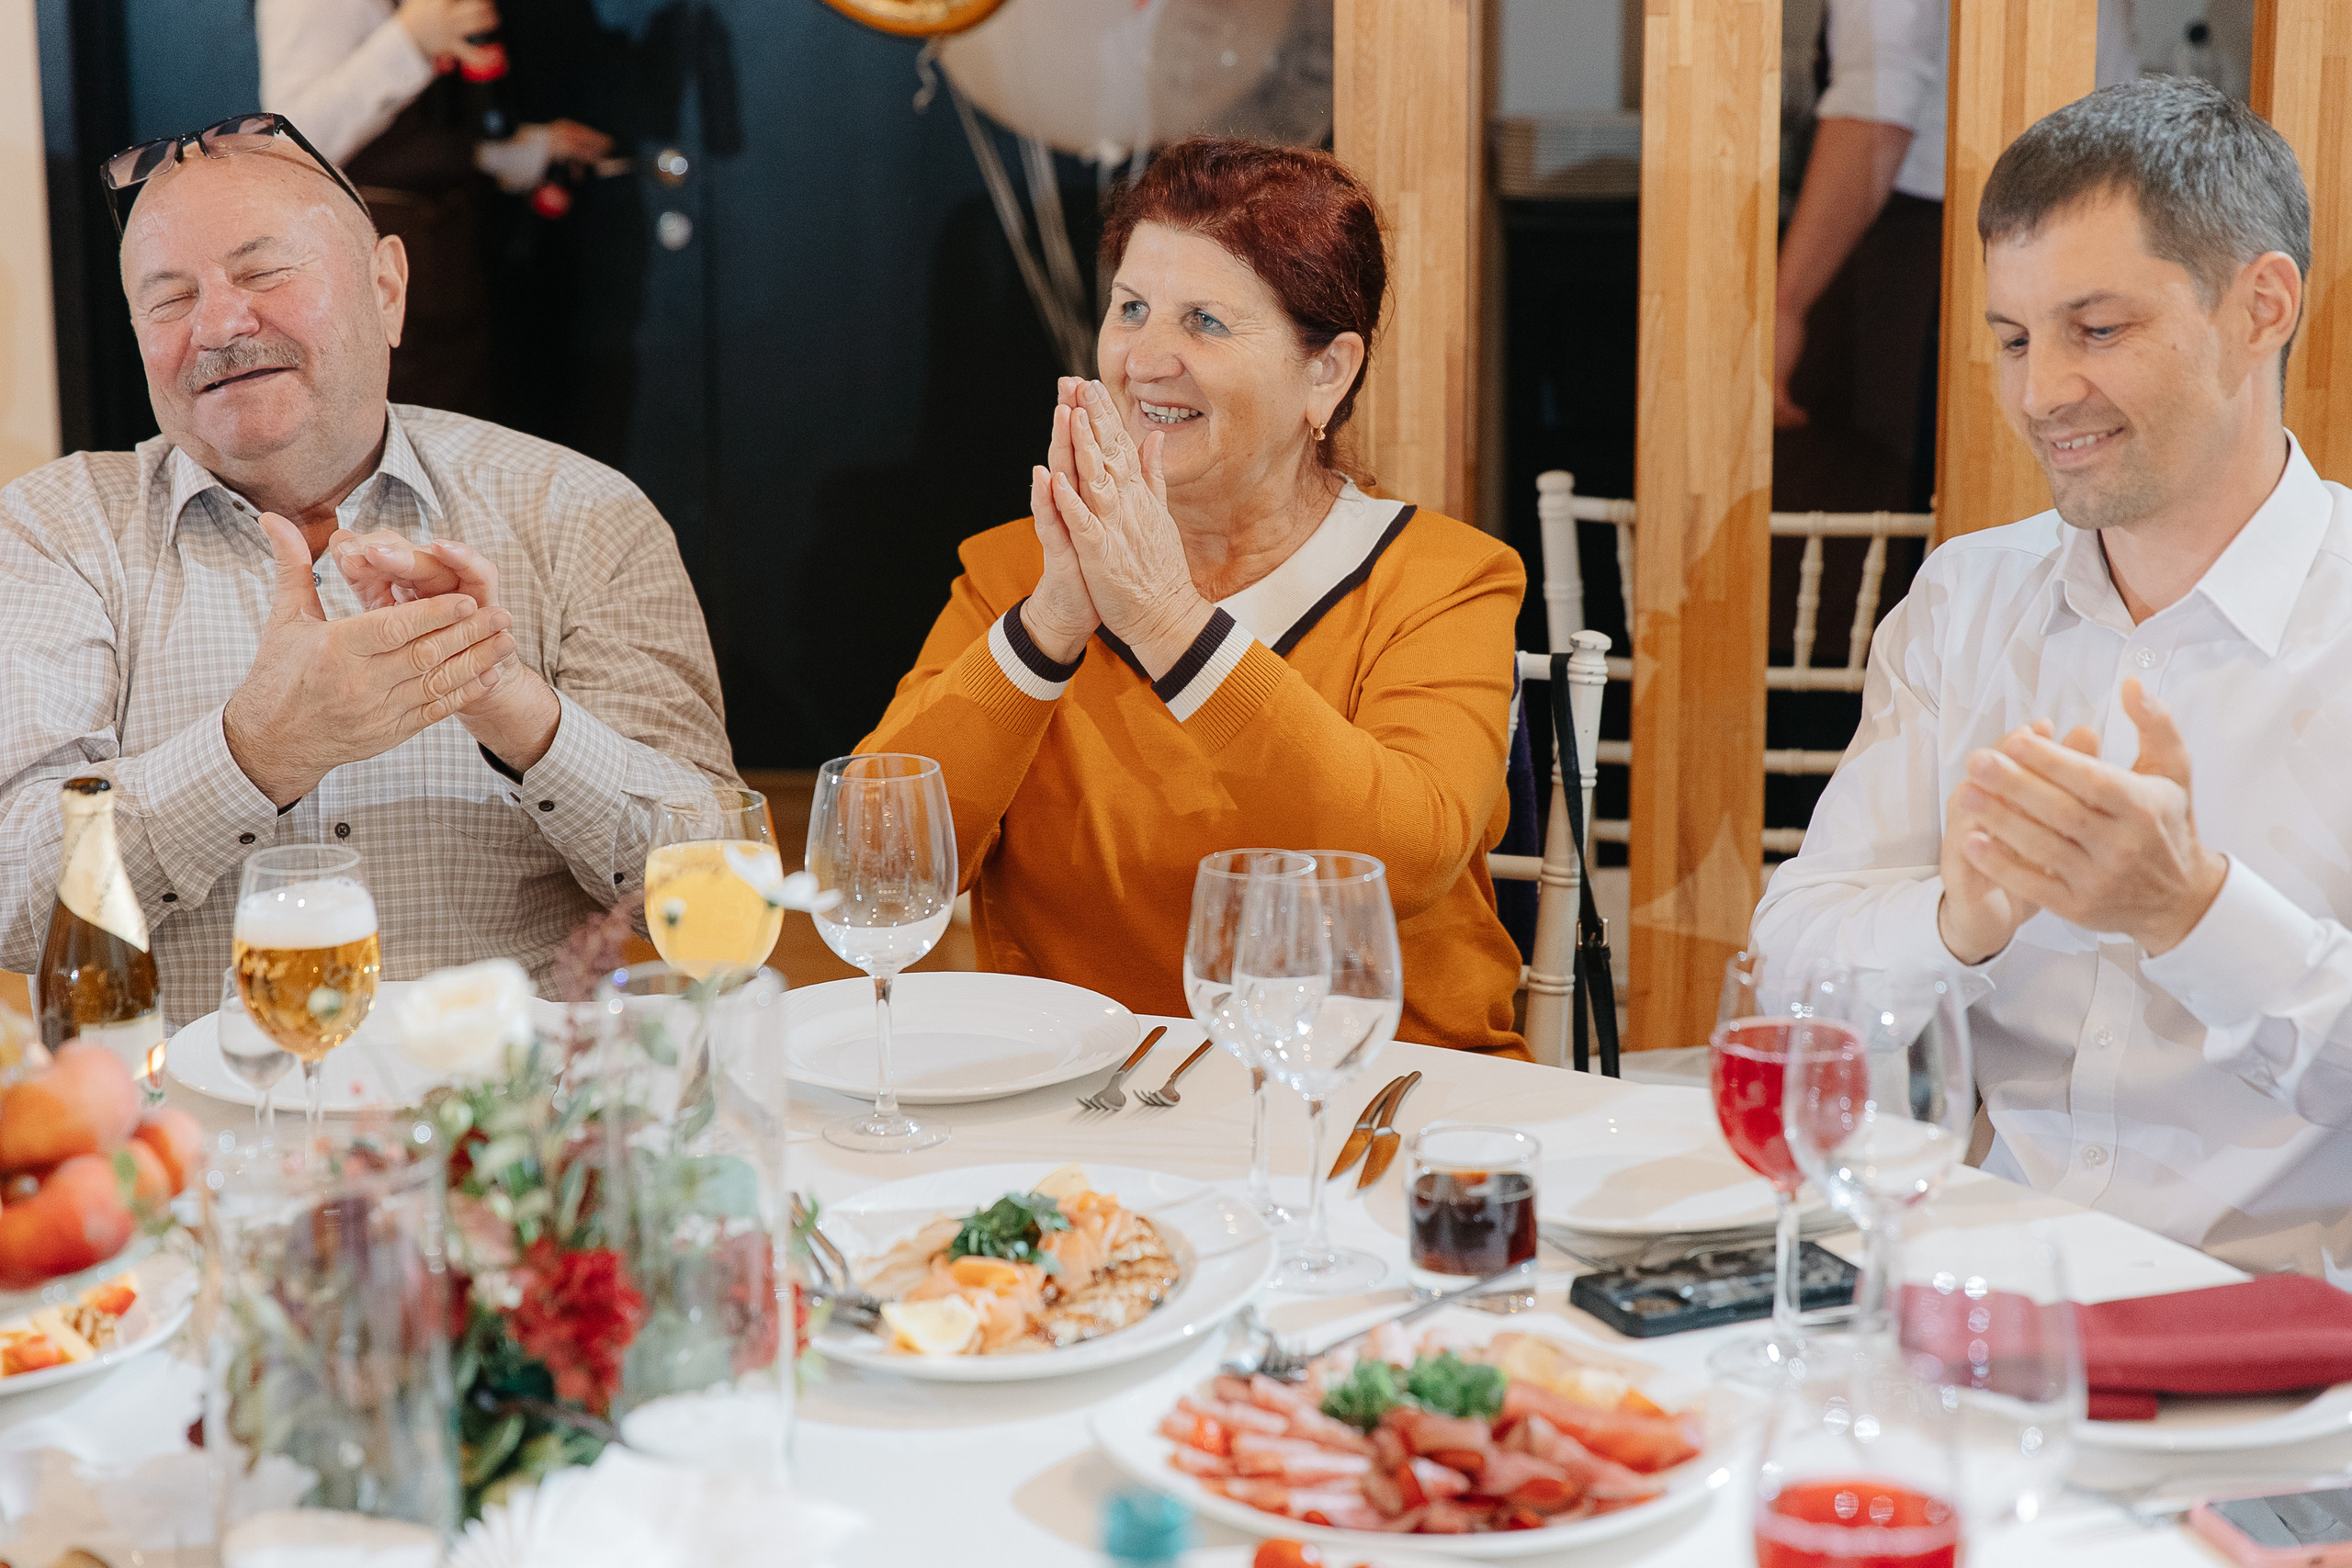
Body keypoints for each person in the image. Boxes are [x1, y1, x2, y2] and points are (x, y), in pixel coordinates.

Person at [1752, 77, 2352, 1277]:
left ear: (2261, 306)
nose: (2040, 394)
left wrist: (2192, 910)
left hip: (2285, 1349)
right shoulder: (1968, 601)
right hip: (1972, 1283)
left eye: (2099, 328)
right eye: (2016, 338)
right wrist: (1958, 918)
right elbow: (1792, 952)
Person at [0, 118, 735, 1024]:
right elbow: (13, 906)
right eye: (168, 296)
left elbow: (715, 882)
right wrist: (255, 751)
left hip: (518, 1137)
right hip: (186, 1142)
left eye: (264, 271)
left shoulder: (578, 512)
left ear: (386, 288)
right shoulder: (51, 530)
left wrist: (518, 712)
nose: (220, 323)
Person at [861, 139, 1527, 1055]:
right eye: (1131, 309)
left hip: (1373, 1105)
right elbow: (873, 864)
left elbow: (1403, 860)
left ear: (1326, 372)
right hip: (1079, 1108)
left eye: (1205, 322)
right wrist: (1053, 621)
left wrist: (1169, 625)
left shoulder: (1443, 579)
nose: (1144, 359)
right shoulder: (1018, 576)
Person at [1771, 0, 2136, 510]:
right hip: (2083, 222)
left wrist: (1786, 306)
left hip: (1928, 241)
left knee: (1860, 508)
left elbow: (1878, 102)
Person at [256, 0, 613, 414]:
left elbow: (407, 141)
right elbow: (293, 138)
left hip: (444, 257)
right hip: (374, 274)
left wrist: (525, 152)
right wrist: (410, 41)